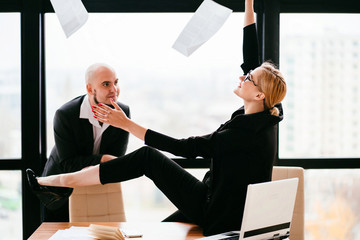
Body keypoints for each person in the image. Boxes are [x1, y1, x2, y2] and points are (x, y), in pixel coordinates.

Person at [28, 0, 286, 235]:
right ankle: (54, 181)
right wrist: (249, 4)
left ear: (259, 95)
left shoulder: (242, 134)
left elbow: (183, 147)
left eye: (249, 79)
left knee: (147, 157)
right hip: (215, 200)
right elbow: (251, 56)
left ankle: (55, 181)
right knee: (160, 230)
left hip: (217, 213)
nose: (243, 76)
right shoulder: (268, 114)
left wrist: (126, 124)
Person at [30, 63, 130, 222]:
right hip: (61, 191)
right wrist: (102, 159)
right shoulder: (65, 115)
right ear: (90, 89)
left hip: (97, 188)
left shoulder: (122, 113)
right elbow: (68, 164)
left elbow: (115, 161)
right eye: (106, 84)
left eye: (116, 82)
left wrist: (107, 162)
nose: (114, 89)